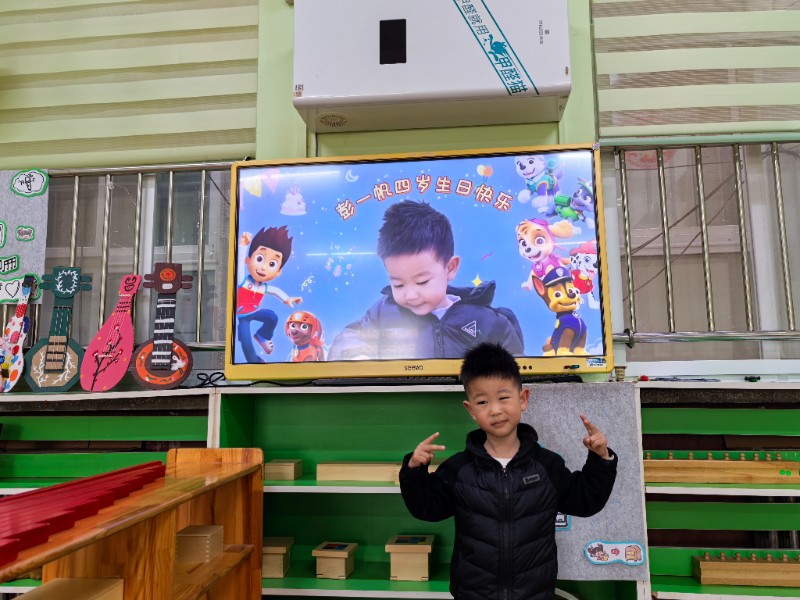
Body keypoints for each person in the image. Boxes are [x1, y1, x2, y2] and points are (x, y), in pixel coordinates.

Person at [399, 342, 617, 600]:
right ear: (471, 410)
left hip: (534, 594)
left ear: (522, 399)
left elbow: (585, 501)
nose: (495, 410)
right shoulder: (459, 469)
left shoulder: (546, 465)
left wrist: (600, 459)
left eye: (503, 398)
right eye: (482, 401)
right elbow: (427, 509)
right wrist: (415, 470)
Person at [327, 201, 523, 360]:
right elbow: (349, 338)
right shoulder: (383, 312)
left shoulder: (485, 320)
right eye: (398, 284)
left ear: (450, 268)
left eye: (422, 282)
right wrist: (359, 358)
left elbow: (514, 368)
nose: (410, 295)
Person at [236, 226, 302, 362]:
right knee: (246, 343)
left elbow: (275, 291)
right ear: (248, 259)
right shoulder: (243, 281)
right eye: (260, 258)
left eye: (272, 264)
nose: (263, 267)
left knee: (271, 317)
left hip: (254, 312)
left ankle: (262, 336)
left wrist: (287, 299)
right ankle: (255, 362)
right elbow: (239, 266)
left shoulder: (263, 287)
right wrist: (243, 245)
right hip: (242, 316)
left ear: (278, 272)